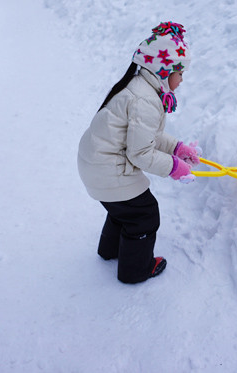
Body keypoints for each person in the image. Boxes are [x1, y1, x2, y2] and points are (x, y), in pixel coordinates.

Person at [77, 22, 200, 284]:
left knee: (124, 209)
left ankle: (109, 251)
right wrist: (174, 168)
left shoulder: (140, 87)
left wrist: (177, 148)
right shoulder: (145, 100)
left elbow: (145, 135)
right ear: (164, 71)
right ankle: (135, 270)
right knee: (144, 215)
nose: (182, 79)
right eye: (180, 73)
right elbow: (141, 153)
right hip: (108, 170)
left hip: (96, 165)